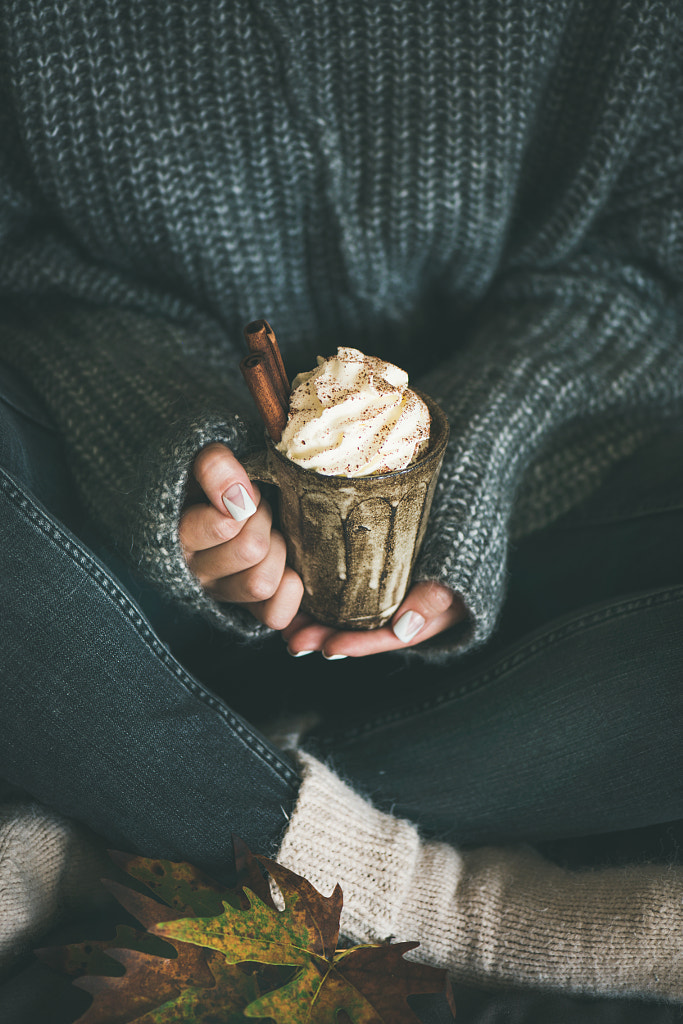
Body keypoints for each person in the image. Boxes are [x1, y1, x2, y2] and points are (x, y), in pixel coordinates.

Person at [1, 0, 682, 1018]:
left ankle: (130, 805)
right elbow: (22, 257)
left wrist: (468, 464)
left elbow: (644, 255)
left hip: (546, 503)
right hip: (109, 546)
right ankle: (424, 891)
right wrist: (170, 451)